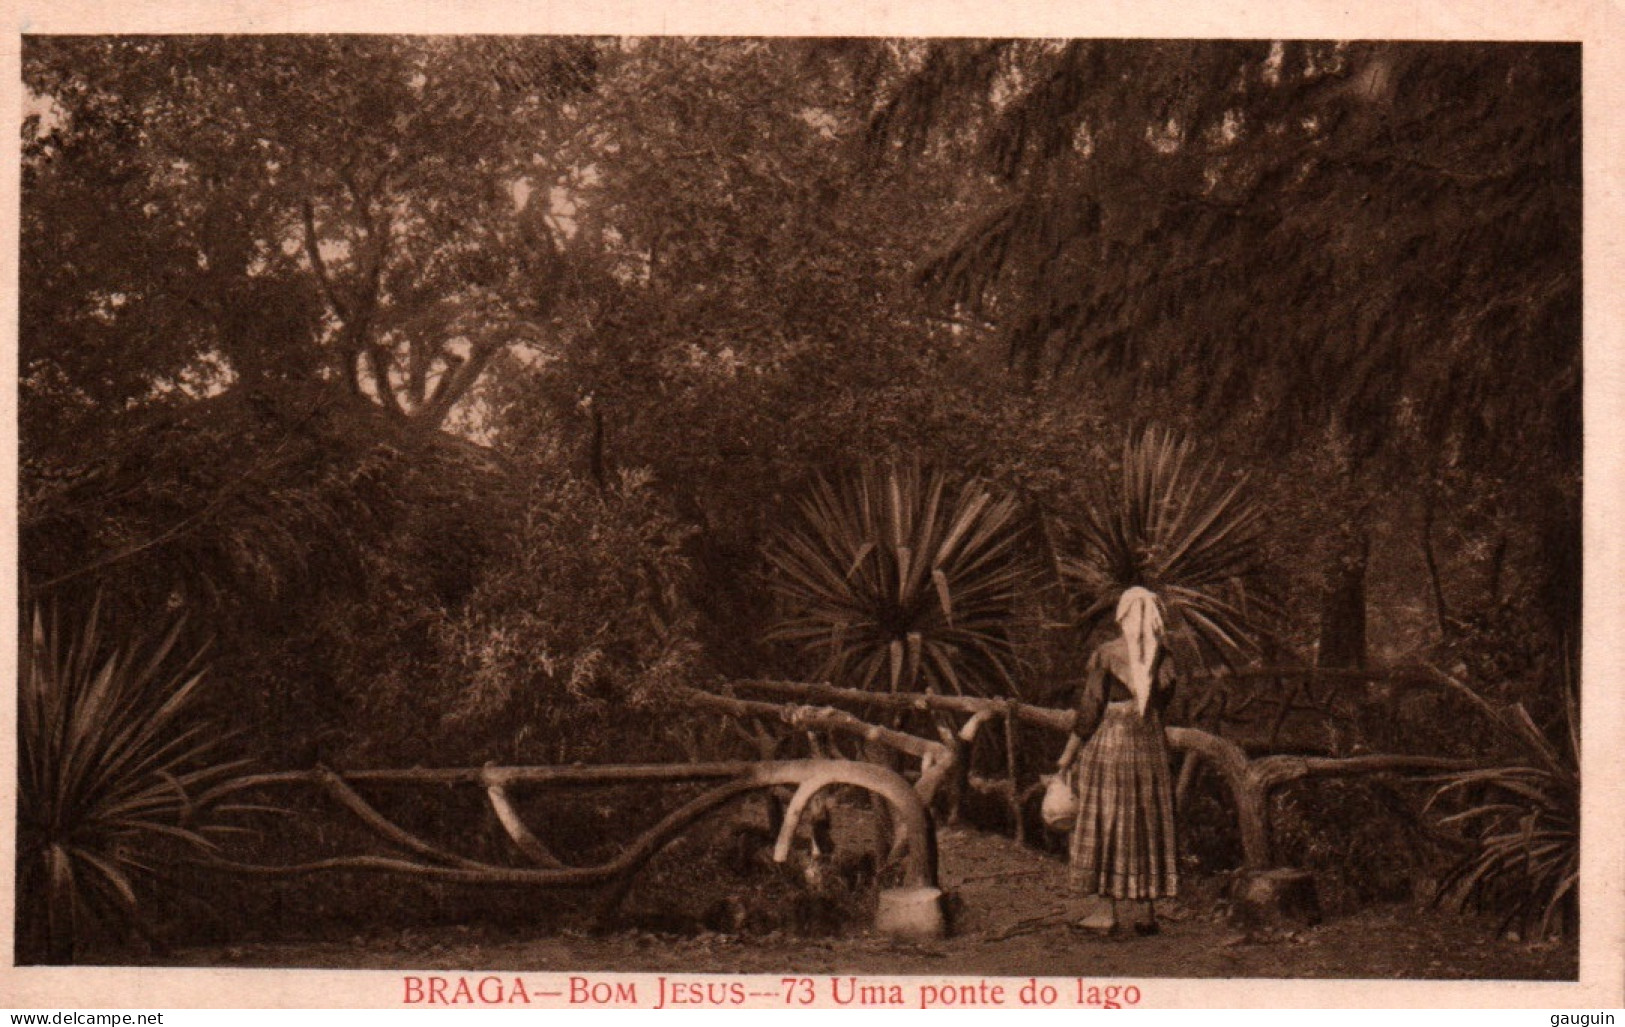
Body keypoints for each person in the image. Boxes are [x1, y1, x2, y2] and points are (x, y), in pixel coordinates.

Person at [1055, 587, 1179, 935]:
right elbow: (1164, 703)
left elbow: (1091, 709)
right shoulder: (1164, 656)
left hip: (1112, 743)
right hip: (1150, 743)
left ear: (1123, 615)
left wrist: (1067, 756)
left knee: (1108, 820)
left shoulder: (1107, 654)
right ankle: (1145, 913)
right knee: (1145, 819)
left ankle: (1106, 914)